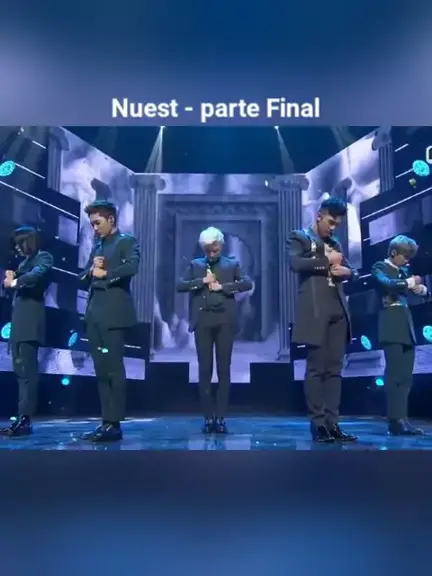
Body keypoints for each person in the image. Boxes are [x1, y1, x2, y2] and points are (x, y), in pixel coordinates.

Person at [288, 197, 358, 443]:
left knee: (335, 370)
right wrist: (325, 262)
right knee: (316, 368)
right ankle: (317, 424)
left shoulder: (335, 243)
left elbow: (350, 269)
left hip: (338, 309)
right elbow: (295, 263)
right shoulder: (300, 237)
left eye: (337, 224)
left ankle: (332, 423)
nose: (333, 228)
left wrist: (348, 272)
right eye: (331, 222)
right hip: (316, 310)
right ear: (319, 215)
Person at [177, 227, 252, 434]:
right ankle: (208, 417)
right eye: (207, 250)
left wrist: (223, 287)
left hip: (225, 321)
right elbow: (180, 285)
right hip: (203, 321)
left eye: (215, 250)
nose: (211, 254)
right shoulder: (195, 265)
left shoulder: (232, 264)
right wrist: (202, 281)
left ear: (221, 245)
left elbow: (247, 283)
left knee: (223, 370)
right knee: (204, 370)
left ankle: (221, 417)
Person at [79, 201, 140, 442]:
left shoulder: (126, 241)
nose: (94, 228)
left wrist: (107, 273)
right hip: (94, 315)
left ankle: (115, 422)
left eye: (98, 223)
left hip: (114, 315)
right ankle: (106, 420)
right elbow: (84, 276)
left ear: (111, 219)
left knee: (114, 369)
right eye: (92, 224)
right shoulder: (98, 246)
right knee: (101, 370)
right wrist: (90, 272)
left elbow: (132, 267)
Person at [371, 235, 427, 436]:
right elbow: (387, 283)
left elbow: (407, 286)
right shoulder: (379, 267)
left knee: (406, 376)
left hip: (406, 325)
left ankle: (403, 418)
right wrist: (410, 282)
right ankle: (395, 420)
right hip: (390, 324)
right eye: (405, 256)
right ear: (394, 252)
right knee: (394, 375)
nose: (407, 261)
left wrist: (421, 289)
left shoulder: (403, 272)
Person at [0, 227, 53, 436]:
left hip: (30, 323)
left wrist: (14, 281)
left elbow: (36, 276)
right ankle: (21, 417)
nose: (16, 249)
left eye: (19, 244)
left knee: (28, 373)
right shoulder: (23, 264)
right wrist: (8, 280)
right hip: (19, 323)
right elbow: (11, 288)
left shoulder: (43, 258)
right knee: (20, 372)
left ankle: (25, 419)